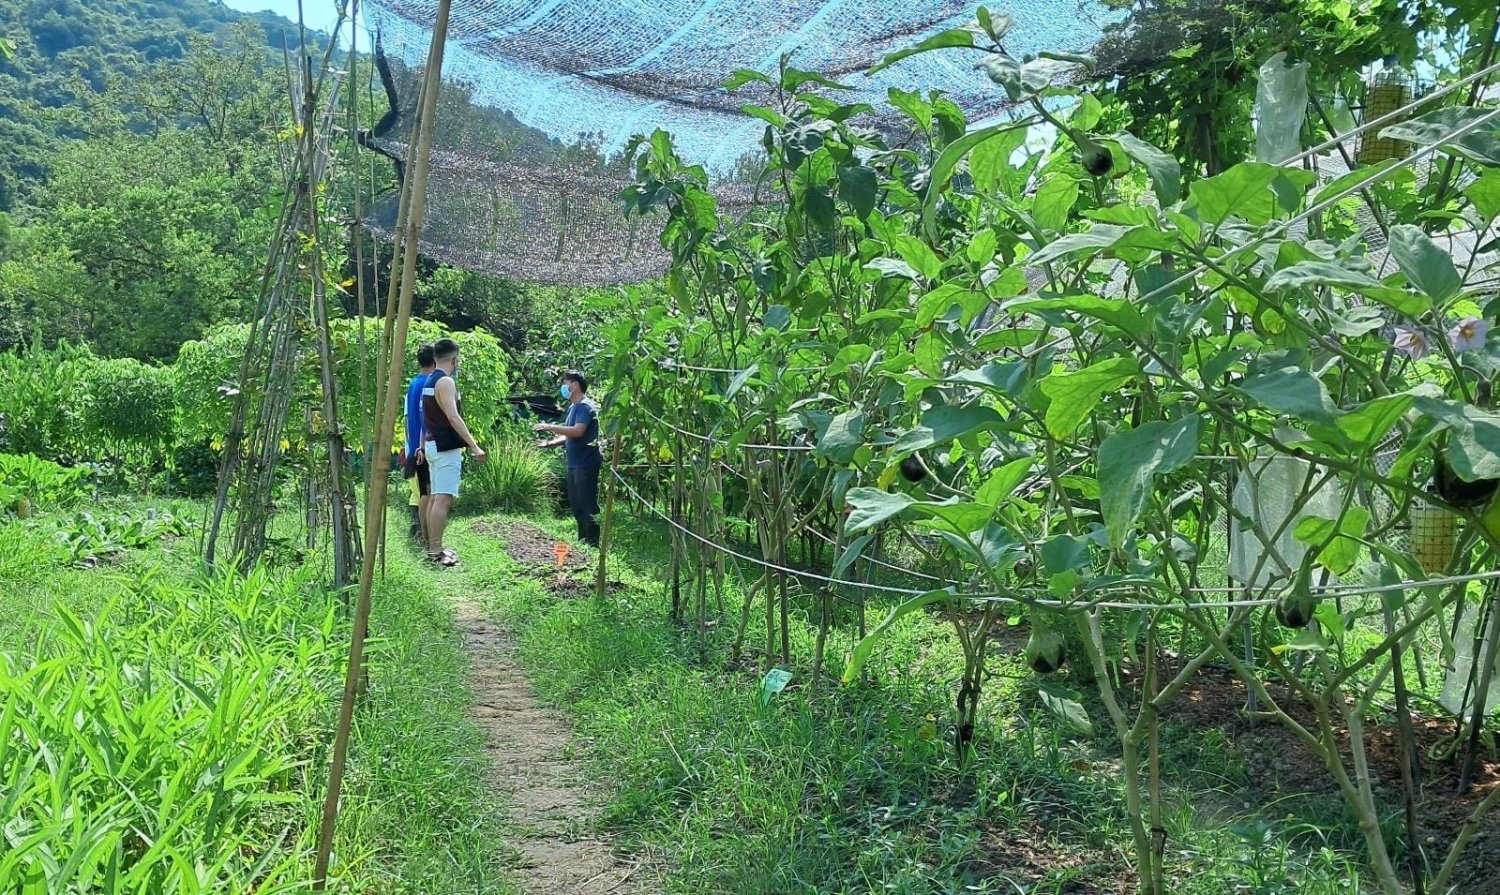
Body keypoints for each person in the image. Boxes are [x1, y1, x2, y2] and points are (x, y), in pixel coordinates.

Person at [421, 338, 485, 566]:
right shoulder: (446, 382)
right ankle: (436, 550)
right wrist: (474, 445)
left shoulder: (429, 379)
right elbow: (452, 416)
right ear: (454, 358)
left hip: (432, 444)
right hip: (444, 446)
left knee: (436, 498)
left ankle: (433, 547)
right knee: (443, 499)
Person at [534, 371, 602, 547]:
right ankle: (583, 541)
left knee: (587, 504)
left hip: (586, 463)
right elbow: (569, 435)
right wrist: (550, 443)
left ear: (575, 385)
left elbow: (578, 431)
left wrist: (549, 426)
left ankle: (593, 543)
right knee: (577, 505)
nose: (563, 387)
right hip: (575, 464)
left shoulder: (585, 407)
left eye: (566, 383)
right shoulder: (574, 408)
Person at [400, 343, 436, 540]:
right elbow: (426, 418)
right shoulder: (430, 384)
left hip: (413, 446)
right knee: (429, 494)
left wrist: (410, 447)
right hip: (425, 447)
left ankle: (422, 533)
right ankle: (427, 537)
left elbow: (407, 419)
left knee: (422, 492)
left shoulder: (413, 384)